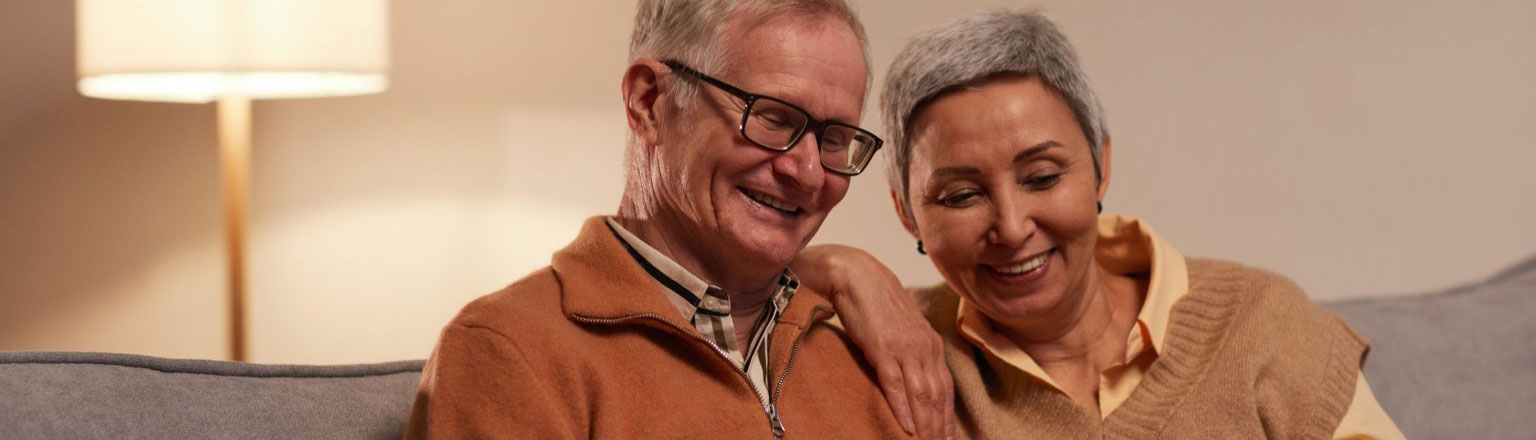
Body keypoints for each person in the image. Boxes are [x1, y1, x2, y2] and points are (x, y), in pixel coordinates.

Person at [795, 9, 1406, 439]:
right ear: (906, 212)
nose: (1011, 227)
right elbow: (710, 299)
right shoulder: (892, 352)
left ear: (1101, 165)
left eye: (1041, 178)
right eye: (960, 195)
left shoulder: (1263, 320)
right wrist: (840, 268)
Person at [403, 1, 953, 439]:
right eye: (771, 117)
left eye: (833, 138)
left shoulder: (873, 347)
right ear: (649, 102)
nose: (808, 173)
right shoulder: (508, 351)